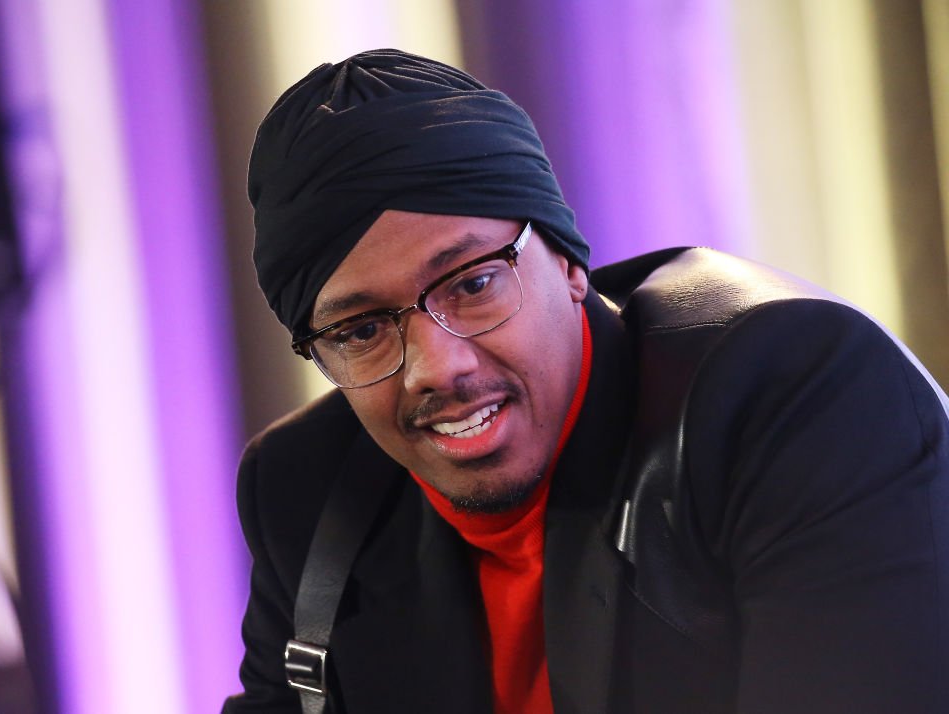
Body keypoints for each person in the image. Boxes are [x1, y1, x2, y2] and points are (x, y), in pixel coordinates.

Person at [222, 49, 949, 714]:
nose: (439, 367)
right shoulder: (308, 491)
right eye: (361, 331)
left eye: (473, 283)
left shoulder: (791, 398)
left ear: (570, 262)